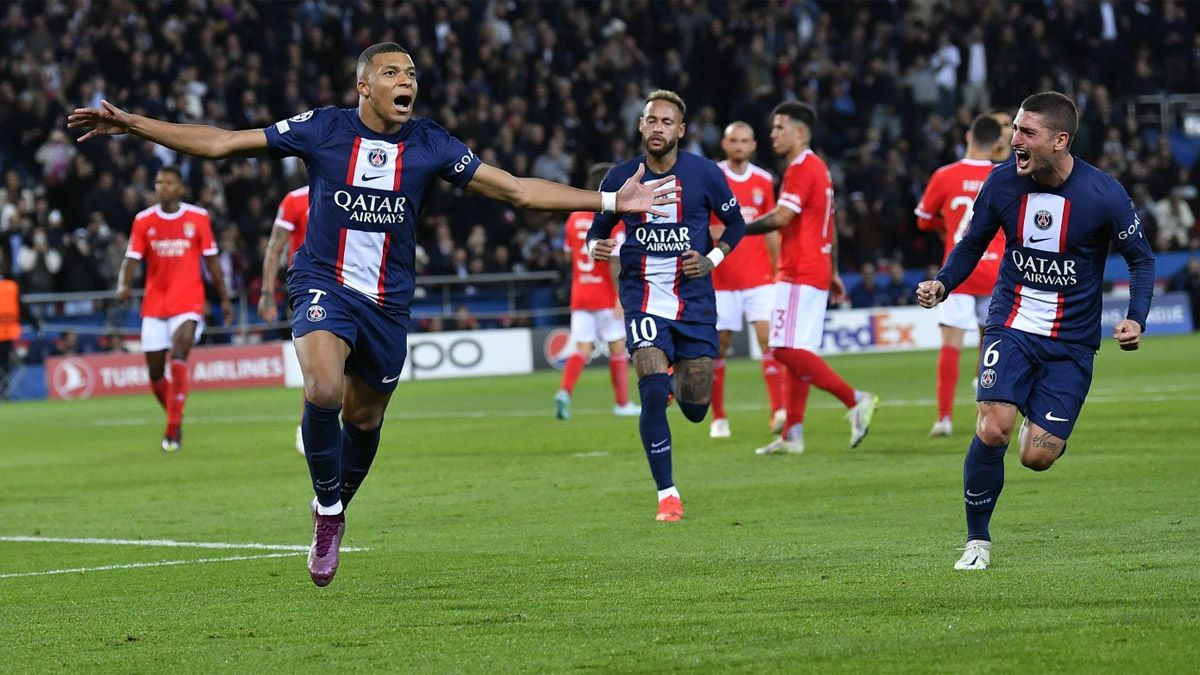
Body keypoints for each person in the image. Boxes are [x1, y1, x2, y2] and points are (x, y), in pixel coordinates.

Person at [70, 42, 677, 586]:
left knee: (364, 420)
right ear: (363, 86)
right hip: (323, 282)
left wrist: (609, 200)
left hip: (388, 304)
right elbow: (224, 142)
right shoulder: (324, 128)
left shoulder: (431, 143)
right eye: (391, 72)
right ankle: (330, 513)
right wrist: (136, 126)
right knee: (324, 388)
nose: (405, 80)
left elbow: (516, 189)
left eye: (410, 73)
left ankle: (330, 505)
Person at [916, 91, 1155, 570]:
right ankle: (977, 542)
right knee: (993, 427)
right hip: (1012, 322)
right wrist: (943, 283)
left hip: (1071, 341)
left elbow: (1141, 260)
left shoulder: (1103, 194)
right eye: (1014, 129)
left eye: (1027, 132)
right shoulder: (1001, 183)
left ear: (1060, 140)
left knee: (1037, 457)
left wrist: (1136, 317)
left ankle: (1032, 412)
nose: (1015, 140)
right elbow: (972, 244)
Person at [587, 90, 746, 522]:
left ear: (681, 130)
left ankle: (676, 380)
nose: (658, 128)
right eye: (651, 120)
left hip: (694, 300)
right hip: (641, 297)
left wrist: (712, 259)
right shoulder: (620, 177)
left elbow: (736, 223)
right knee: (653, 391)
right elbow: (597, 229)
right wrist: (594, 246)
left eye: (666, 122)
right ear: (641, 126)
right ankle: (667, 494)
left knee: (696, 408)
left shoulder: (704, 174)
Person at [742, 102, 879, 456]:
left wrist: (737, 229)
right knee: (797, 350)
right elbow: (827, 222)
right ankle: (793, 434)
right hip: (814, 267)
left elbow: (781, 217)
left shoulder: (802, 167)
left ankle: (855, 399)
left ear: (800, 133)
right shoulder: (819, 167)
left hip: (798, 269)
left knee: (781, 348)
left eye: (780, 127)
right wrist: (832, 268)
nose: (773, 134)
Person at [116, 166, 234, 451]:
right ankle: (176, 413)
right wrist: (124, 284)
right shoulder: (143, 220)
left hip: (189, 302)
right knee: (156, 373)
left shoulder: (198, 217)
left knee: (179, 354)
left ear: (180, 188)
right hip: (155, 304)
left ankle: (172, 429)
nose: (163, 187)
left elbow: (212, 262)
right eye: (159, 182)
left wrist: (224, 299)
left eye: (169, 182)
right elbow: (131, 257)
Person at [914, 114, 1006, 436]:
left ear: (968, 136)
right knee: (990, 344)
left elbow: (923, 220)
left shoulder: (944, 175)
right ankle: (985, 413)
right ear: (998, 143)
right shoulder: (1003, 175)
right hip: (995, 271)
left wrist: (949, 228)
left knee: (951, 344)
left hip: (957, 272)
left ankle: (943, 418)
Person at [708, 121, 785, 440]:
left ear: (753, 145)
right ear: (725, 145)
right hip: (720, 277)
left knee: (769, 341)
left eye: (744, 141)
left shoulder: (764, 180)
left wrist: (779, 269)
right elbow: (698, 222)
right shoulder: (712, 176)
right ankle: (719, 417)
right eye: (734, 141)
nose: (739, 146)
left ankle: (778, 412)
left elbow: (771, 228)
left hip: (759, 277)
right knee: (719, 346)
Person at [554, 163, 640, 421]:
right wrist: (619, 296)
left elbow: (568, 256)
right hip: (605, 294)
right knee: (617, 347)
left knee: (581, 348)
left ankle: (564, 392)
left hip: (581, 292)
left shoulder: (574, 217)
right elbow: (614, 261)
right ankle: (622, 404)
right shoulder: (610, 217)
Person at [258, 180, 311, 455]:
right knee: (320, 361)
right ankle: (307, 426)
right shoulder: (295, 200)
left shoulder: (349, 191)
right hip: (310, 287)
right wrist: (267, 292)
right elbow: (275, 246)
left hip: (353, 287)